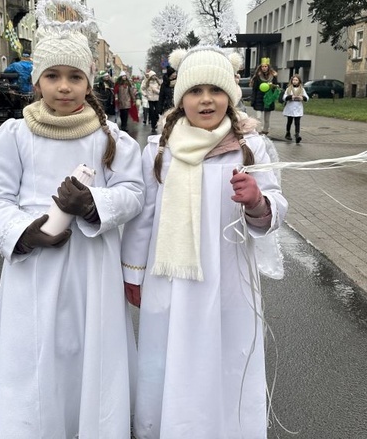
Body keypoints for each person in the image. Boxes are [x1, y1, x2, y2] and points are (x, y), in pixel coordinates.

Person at [0, 6, 145, 439]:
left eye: (75, 76)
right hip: (35, 263)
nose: (64, 87)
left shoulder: (110, 139)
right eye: (53, 76)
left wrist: (92, 204)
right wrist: (21, 231)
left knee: (89, 350)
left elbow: (134, 192)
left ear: (90, 81)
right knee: (35, 351)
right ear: (37, 81)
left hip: (91, 265)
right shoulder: (14, 135)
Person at [121, 46, 288, 438]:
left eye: (216, 89)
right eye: (196, 90)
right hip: (171, 279)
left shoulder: (250, 147)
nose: (207, 99)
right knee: (169, 357)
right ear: (182, 98)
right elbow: (143, 216)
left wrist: (257, 202)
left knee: (226, 353)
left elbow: (276, 207)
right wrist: (133, 272)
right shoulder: (160, 148)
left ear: (231, 95)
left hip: (228, 277)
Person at [250, 57, 279, 135]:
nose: (264, 68)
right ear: (260, 67)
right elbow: (254, 89)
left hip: (268, 99)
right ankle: (258, 131)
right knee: (258, 117)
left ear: (268, 67)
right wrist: (253, 99)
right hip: (259, 99)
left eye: (265, 66)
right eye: (262, 66)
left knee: (267, 119)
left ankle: (265, 131)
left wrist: (272, 86)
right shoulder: (257, 77)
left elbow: (276, 87)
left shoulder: (273, 77)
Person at [282, 74, 309, 143]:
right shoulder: (289, 89)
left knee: (297, 122)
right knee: (289, 121)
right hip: (290, 107)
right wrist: (291, 97)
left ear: (299, 81)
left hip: (298, 107)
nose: (294, 81)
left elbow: (307, 98)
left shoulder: (302, 89)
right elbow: (284, 97)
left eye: (296, 80)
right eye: (293, 80)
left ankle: (297, 134)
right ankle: (288, 133)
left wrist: (302, 98)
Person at [140, 69, 162, 133]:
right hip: (150, 99)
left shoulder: (158, 82)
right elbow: (142, 89)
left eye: (155, 75)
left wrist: (156, 90)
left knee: (157, 112)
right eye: (152, 75)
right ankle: (153, 126)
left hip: (157, 99)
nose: (154, 77)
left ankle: (157, 123)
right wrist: (145, 94)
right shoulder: (147, 83)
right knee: (152, 113)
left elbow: (161, 91)